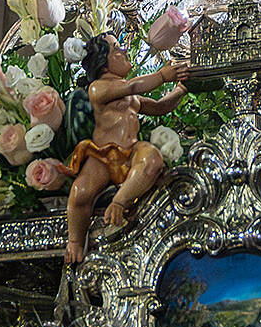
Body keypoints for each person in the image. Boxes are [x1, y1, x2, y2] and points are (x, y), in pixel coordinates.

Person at [64, 33, 189, 262]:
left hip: (130, 153)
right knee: (80, 192)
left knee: (152, 159)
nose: (123, 51)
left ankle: (119, 202)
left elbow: (161, 107)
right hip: (103, 154)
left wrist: (181, 89)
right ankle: (74, 241)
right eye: (116, 48)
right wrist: (162, 75)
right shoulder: (98, 88)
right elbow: (132, 85)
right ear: (102, 62)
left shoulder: (132, 97)